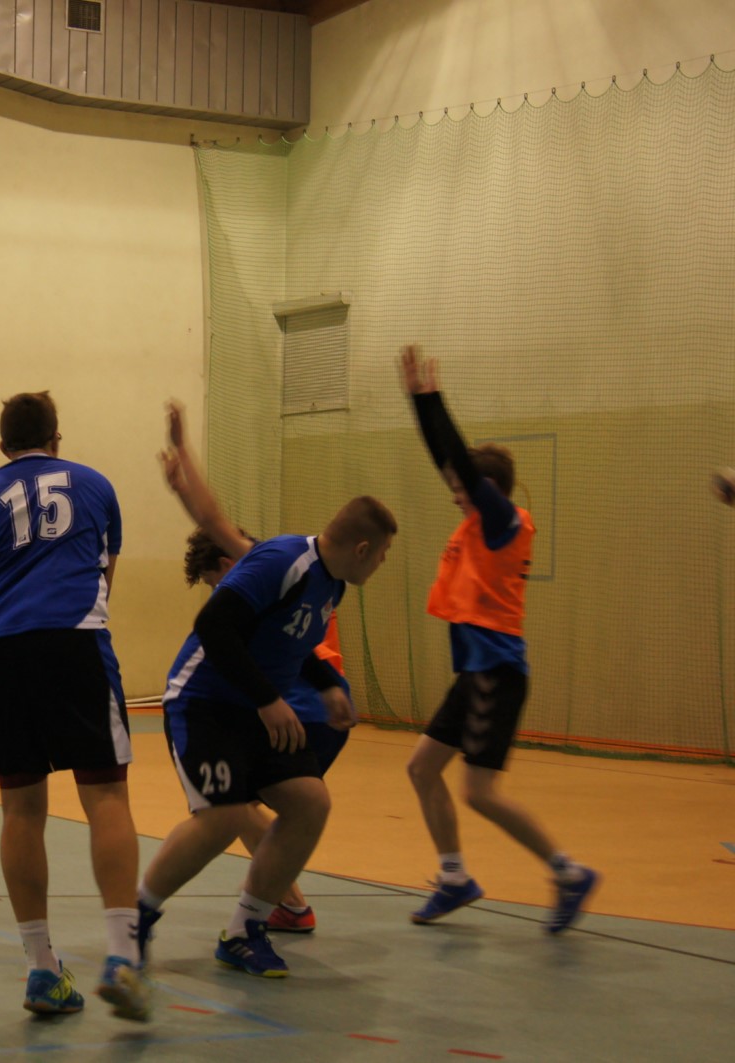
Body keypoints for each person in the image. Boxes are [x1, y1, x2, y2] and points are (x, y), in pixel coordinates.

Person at [0, 391, 148, 1021]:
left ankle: (41, 968)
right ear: (56, 438)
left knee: (21, 808)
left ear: (2, 445)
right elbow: (104, 576)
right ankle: (122, 957)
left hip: (2, 654)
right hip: (76, 644)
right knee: (106, 796)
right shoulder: (97, 485)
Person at [137, 495, 395, 979]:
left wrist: (325, 685)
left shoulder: (332, 583)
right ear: (362, 548)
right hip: (205, 703)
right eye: (383, 553)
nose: (384, 562)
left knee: (310, 802)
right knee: (222, 817)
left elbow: (292, 641)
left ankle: (244, 931)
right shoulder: (284, 560)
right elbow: (213, 626)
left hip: (254, 710)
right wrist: (267, 699)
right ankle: (136, 916)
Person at [399, 345, 599, 932]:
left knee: (480, 792)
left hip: (497, 674)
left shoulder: (502, 521)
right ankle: (454, 877)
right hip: (476, 674)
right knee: (421, 768)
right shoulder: (474, 523)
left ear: (488, 488)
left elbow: (457, 461)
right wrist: (418, 403)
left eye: (463, 486)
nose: (453, 493)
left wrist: (433, 400)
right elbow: (448, 460)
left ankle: (568, 872)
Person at [157, 402, 353, 933]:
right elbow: (213, 519)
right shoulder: (286, 565)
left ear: (226, 567)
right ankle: (279, 904)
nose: (218, 590)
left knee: (230, 806)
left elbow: (214, 522)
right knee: (268, 807)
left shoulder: (267, 567)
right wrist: (183, 462)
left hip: (294, 703)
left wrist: (183, 457)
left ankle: (282, 901)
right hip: (316, 700)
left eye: (213, 582)